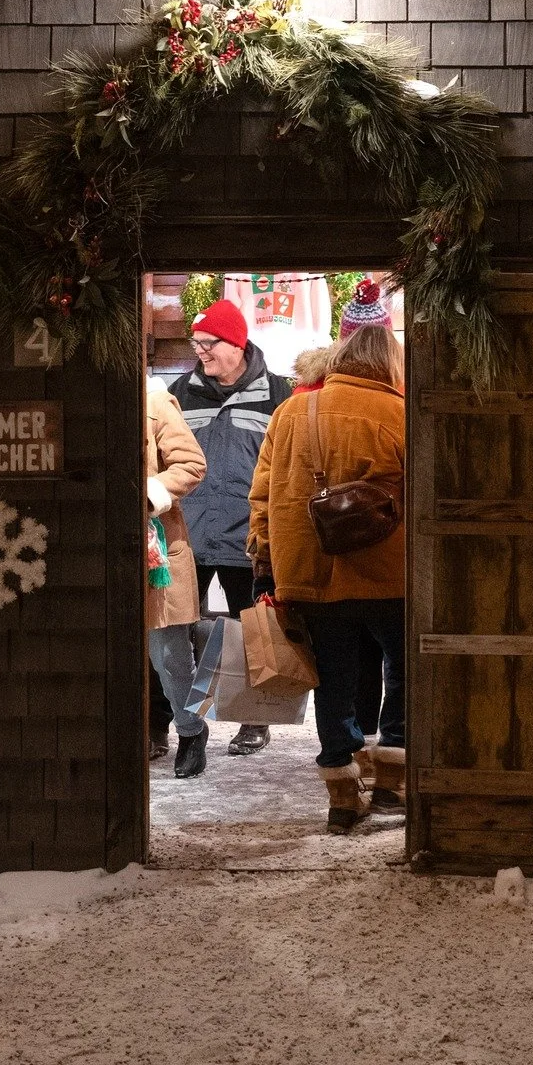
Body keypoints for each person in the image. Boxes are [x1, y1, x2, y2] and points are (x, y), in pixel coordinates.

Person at [247, 324, 406, 831]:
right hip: (389, 571)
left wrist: (265, 556)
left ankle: (342, 796)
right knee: (403, 673)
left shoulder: (291, 411)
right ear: (389, 365)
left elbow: (263, 495)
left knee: (332, 681)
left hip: (310, 572)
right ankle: (391, 783)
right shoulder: (401, 413)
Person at [169, 296, 292, 754]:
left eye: (209, 343)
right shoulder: (179, 393)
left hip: (250, 538)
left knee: (252, 634)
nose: (200, 351)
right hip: (189, 537)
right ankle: (171, 724)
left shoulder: (279, 394)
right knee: (172, 634)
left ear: (237, 343)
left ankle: (254, 722)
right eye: (196, 343)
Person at [146, 384, 210, 778]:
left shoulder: (155, 400)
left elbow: (191, 464)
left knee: (170, 657)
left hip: (158, 544)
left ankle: (191, 731)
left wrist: (149, 492)